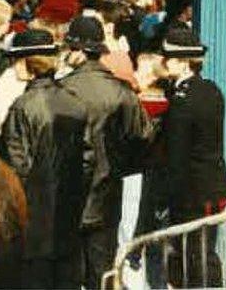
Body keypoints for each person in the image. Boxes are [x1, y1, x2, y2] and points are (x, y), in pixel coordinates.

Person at [61, 16, 153, 289]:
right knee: (102, 272)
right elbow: (142, 140)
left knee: (69, 272)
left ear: (78, 50)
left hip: (68, 194)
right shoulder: (122, 94)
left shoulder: (60, 90)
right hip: (108, 192)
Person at [0, 29, 83, 289]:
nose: (12, 66)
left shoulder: (22, 106)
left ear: (28, 62)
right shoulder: (74, 102)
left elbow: (18, 167)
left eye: (15, 60)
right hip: (70, 214)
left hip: (36, 219)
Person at [162, 26, 226, 289]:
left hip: (192, 191)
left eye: (168, 58)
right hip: (214, 184)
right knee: (204, 251)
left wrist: (167, 197)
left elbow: (177, 156)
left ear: (182, 63)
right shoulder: (211, 90)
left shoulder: (183, 102)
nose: (164, 62)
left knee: (194, 257)